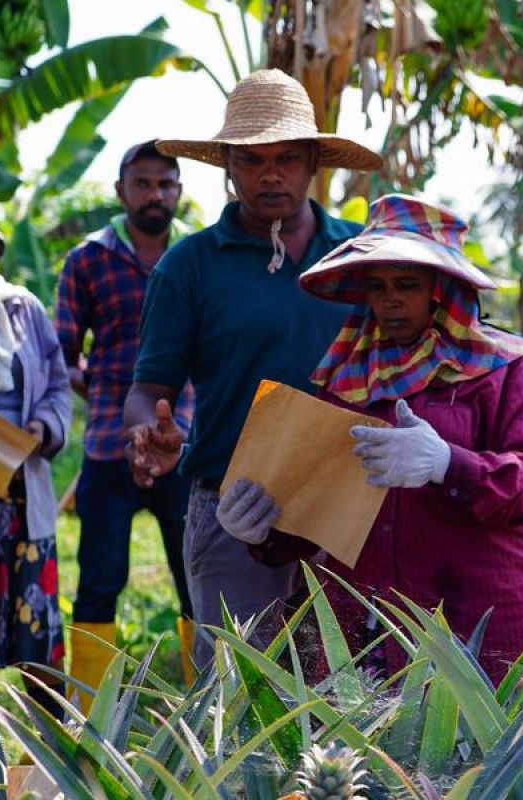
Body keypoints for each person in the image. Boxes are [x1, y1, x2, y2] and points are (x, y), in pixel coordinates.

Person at [214, 194, 523, 684]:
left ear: (443, 289)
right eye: (377, 287)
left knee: (488, 754)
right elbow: (320, 501)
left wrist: (449, 464)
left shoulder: (510, 370)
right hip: (364, 624)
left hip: (478, 616)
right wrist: (263, 531)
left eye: (406, 284)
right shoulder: (347, 379)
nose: (390, 299)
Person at [123, 70, 381, 667]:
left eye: (288, 158)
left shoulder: (365, 256)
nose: (270, 174)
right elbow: (148, 389)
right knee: (238, 695)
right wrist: (147, 430)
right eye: (252, 159)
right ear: (227, 167)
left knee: (352, 688)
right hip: (235, 504)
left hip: (347, 504)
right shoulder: (188, 266)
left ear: (315, 162)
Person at [55, 141, 197, 696]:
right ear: (121, 191)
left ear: (179, 192)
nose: (154, 194)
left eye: (165, 184)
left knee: (197, 584)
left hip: (187, 449)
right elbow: (64, 351)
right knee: (99, 582)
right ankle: (88, 717)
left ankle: (215, 712)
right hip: (109, 449)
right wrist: (103, 390)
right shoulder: (87, 259)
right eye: (142, 183)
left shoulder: (198, 258)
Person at [0, 230, 71, 720]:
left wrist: (45, 424)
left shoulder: (23, 309)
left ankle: (51, 757)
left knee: (36, 637)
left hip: (20, 495)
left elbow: (58, 383)